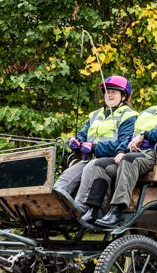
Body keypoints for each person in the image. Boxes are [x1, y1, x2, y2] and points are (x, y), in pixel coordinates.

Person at [77, 67, 157, 228]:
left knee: (130, 160)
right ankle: (95, 209)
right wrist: (121, 150)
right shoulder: (151, 111)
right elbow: (132, 134)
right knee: (100, 164)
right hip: (143, 155)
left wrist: (145, 135)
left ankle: (117, 210)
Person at [51, 76, 137, 208]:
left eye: (114, 92)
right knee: (66, 177)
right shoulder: (95, 114)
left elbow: (123, 144)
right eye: (107, 91)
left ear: (124, 96)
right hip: (89, 159)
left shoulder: (129, 116)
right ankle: (55, 207)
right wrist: (76, 140)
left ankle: (80, 210)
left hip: (112, 160)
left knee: (90, 170)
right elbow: (83, 133)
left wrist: (94, 147)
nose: (109, 94)